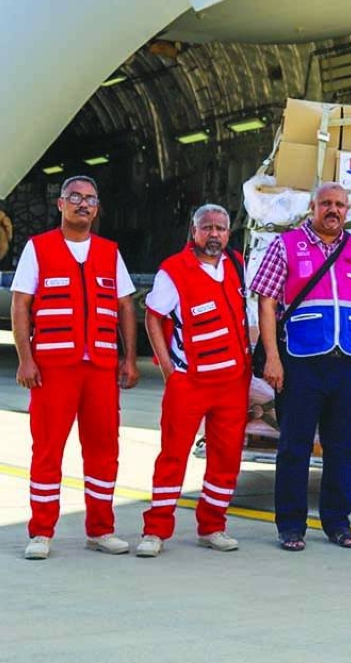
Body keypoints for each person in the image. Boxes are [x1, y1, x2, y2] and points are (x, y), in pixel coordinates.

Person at [251, 182, 351, 552]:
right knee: (295, 447)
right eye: (325, 203)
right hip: (301, 363)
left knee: (342, 448)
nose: (333, 210)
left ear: (347, 210)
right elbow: (265, 300)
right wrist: (273, 357)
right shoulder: (288, 245)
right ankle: (291, 525)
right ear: (312, 207)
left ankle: (338, 523)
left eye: (339, 204)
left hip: (349, 364)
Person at [12, 175, 140, 560]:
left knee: (104, 448)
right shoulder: (39, 249)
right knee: (47, 449)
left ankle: (100, 529)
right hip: (53, 368)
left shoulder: (108, 251)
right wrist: (25, 359)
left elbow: (125, 307)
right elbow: (20, 305)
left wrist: (129, 358)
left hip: (100, 368)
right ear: (61, 205)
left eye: (90, 199)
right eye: (75, 198)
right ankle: (41, 532)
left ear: (97, 208)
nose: (83, 204)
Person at [135, 204, 251, 558]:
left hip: (233, 381)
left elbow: (249, 315)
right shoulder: (174, 270)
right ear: (194, 231)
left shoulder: (237, 266)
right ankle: (156, 529)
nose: (213, 234)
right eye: (207, 228)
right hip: (190, 381)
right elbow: (153, 318)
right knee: (173, 455)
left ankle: (213, 525)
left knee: (227, 456)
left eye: (220, 228)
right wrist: (169, 370)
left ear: (229, 234)